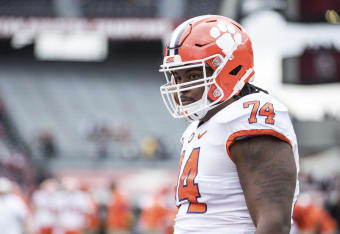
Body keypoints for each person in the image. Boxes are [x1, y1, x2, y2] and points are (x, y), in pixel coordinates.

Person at [159, 15, 299, 233]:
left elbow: (274, 223)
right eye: (177, 77)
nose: (181, 87)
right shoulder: (199, 128)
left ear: (229, 69)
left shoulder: (249, 117)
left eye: (194, 74)